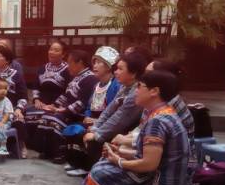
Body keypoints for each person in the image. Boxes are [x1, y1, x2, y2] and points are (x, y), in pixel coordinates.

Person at [83, 70, 191, 185]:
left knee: (100, 173)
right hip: (161, 175)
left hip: (161, 184)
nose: (136, 91)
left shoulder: (158, 121)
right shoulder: (160, 113)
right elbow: (148, 154)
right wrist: (118, 153)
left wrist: (118, 160)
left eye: (140, 87)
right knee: (104, 163)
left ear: (154, 91)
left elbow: (149, 164)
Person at [63, 47, 122, 177]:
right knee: (73, 128)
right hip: (93, 120)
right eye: (94, 62)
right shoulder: (97, 85)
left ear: (108, 66)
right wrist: (87, 116)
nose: (94, 65)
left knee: (83, 132)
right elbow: (89, 106)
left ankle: (87, 167)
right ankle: (76, 162)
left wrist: (96, 122)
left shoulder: (115, 86)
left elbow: (115, 111)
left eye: (99, 62)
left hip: (106, 123)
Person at [81, 51, 148, 161]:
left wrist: (97, 135)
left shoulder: (135, 92)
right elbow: (109, 110)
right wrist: (95, 128)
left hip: (126, 130)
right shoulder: (124, 86)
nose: (116, 72)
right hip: (111, 125)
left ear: (133, 74)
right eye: (116, 68)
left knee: (94, 141)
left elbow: (119, 118)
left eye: (120, 69)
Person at [34, 49, 99, 161]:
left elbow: (81, 103)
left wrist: (62, 110)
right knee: (45, 115)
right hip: (67, 112)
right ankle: (48, 151)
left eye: (70, 63)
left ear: (80, 63)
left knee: (53, 119)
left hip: (78, 115)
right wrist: (53, 105)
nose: (68, 66)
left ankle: (61, 152)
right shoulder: (77, 77)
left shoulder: (90, 78)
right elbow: (66, 96)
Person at [25, 41, 69, 150]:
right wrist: (36, 100)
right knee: (26, 113)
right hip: (41, 104)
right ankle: (30, 145)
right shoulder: (42, 68)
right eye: (51, 49)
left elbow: (68, 91)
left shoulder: (67, 70)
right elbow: (35, 86)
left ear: (63, 54)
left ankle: (47, 149)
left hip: (57, 106)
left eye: (56, 50)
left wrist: (54, 105)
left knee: (47, 117)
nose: (52, 52)